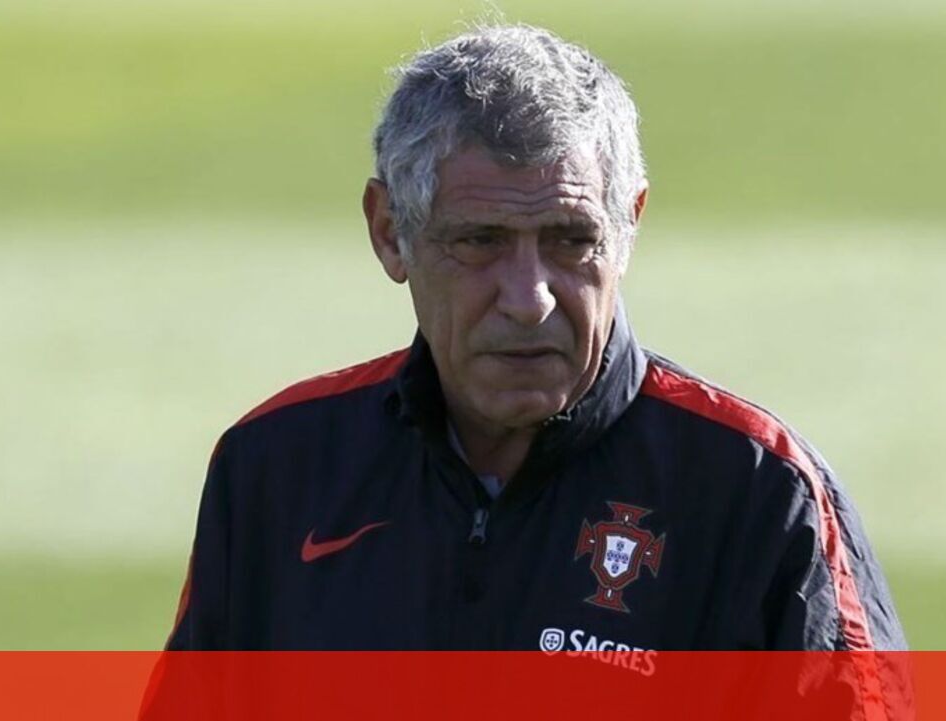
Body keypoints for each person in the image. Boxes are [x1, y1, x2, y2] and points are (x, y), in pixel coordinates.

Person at [164, 24, 905, 656]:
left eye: (570, 240)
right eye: (480, 241)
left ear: (627, 229)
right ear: (391, 233)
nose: (530, 299)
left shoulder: (758, 492)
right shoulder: (275, 469)